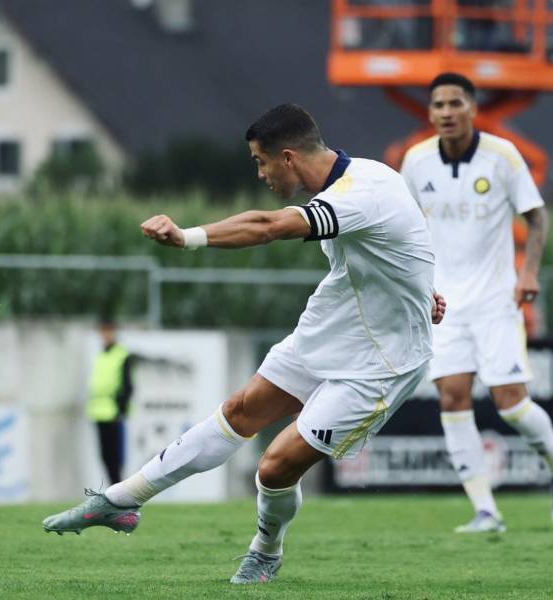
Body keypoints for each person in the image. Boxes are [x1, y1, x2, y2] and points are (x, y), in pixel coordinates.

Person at [42, 103, 446, 585]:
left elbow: (268, 226)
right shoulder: (361, 179)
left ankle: (265, 550)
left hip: (383, 361)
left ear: (289, 158)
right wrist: (424, 289)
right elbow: (404, 238)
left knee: (274, 466)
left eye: (261, 161)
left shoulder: (362, 191)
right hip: (335, 326)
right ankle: (118, 502)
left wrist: (186, 237)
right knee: (239, 410)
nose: (260, 172)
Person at [400, 72, 553, 532]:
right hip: (443, 303)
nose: (445, 112)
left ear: (473, 109)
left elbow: (537, 217)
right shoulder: (415, 162)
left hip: (496, 299)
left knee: (511, 403)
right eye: (437, 105)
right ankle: (484, 509)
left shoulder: (502, 155)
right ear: (430, 112)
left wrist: (529, 271)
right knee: (452, 397)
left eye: (455, 103)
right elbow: (401, 225)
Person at [87, 317, 137, 485]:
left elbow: (128, 385)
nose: (105, 335)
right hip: (98, 412)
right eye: (103, 331)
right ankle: (113, 490)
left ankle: (117, 492)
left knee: (115, 458)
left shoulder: (122, 354)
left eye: (108, 331)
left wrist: (121, 409)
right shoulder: (101, 355)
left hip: (114, 412)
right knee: (105, 456)